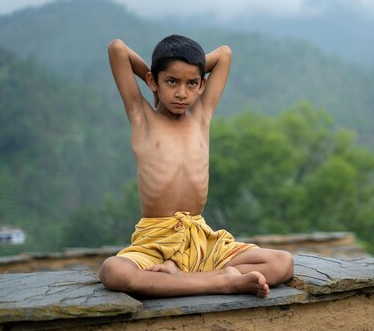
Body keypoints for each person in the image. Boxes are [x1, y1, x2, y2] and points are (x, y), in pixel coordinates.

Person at [99, 35, 294, 298]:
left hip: (203, 241)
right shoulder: (142, 117)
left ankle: (185, 278)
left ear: (203, 84)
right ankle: (222, 282)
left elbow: (224, 54)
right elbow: (117, 49)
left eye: (192, 83)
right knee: (114, 271)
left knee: (283, 262)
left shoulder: (201, 116)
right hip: (156, 241)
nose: (182, 93)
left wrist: (167, 78)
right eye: (171, 82)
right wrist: (155, 85)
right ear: (151, 81)